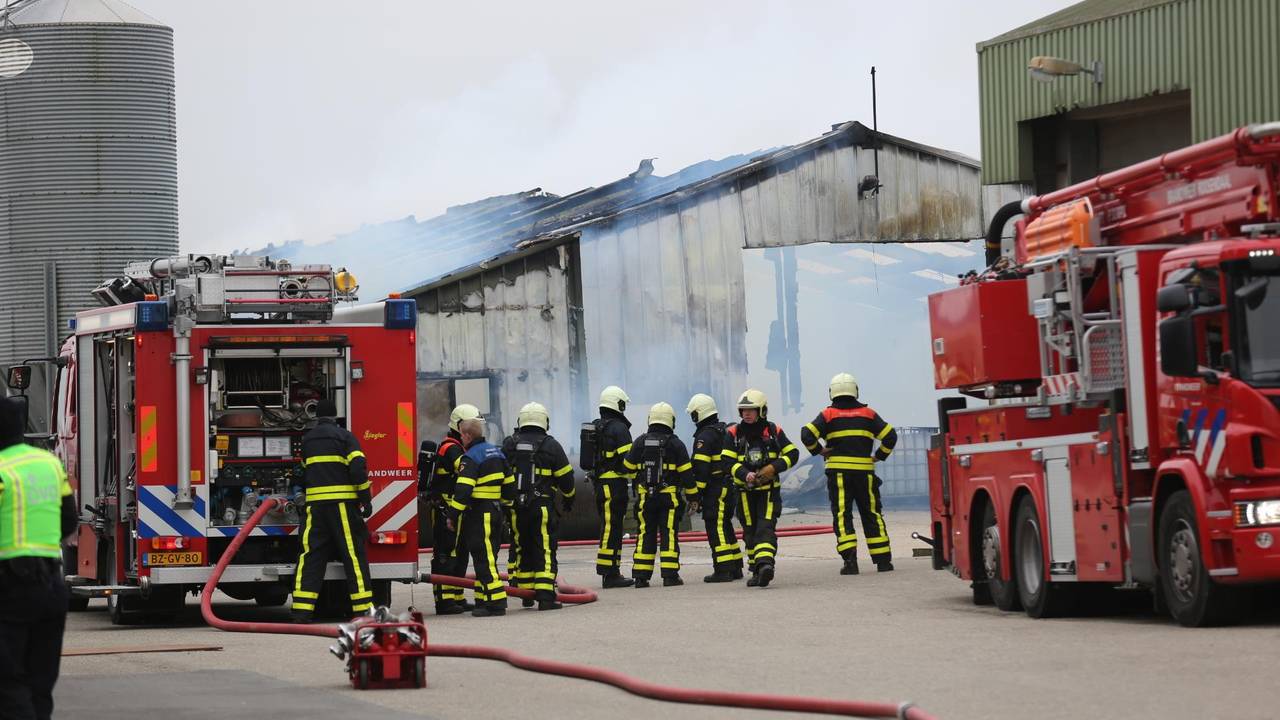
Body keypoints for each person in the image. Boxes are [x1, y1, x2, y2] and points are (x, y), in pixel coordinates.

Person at [0, 396, 76, 720]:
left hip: (10, 588)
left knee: (8, 681)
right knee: (40, 683)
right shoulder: (48, 463)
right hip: (52, 586)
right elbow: (69, 521)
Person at [801, 373, 898, 574]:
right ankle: (883, 561)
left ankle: (850, 562)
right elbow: (890, 436)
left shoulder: (827, 415)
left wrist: (819, 451)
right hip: (864, 474)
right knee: (871, 514)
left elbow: (806, 434)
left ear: (832, 393)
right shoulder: (869, 414)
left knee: (842, 515)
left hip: (839, 475)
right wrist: (878, 456)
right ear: (855, 391)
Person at [292, 399, 374, 622]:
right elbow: (358, 469)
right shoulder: (346, 437)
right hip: (343, 507)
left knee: (310, 555)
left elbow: (301, 474)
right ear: (336, 416)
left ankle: (301, 610)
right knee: (353, 555)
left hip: (315, 509)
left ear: (317, 416)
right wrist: (365, 499)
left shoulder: (307, 441)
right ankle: (362, 609)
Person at [502, 402, 576, 611]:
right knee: (543, 548)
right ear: (545, 422)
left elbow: (498, 471)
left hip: (515, 507)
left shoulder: (509, 444)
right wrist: (569, 498)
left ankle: (526, 593)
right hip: (542, 506)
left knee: (521, 545)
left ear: (521, 421)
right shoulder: (551, 445)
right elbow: (566, 478)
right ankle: (545, 596)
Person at [444, 416, 514, 617]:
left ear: (467, 435)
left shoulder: (471, 457)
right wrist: (506, 506)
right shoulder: (497, 452)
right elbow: (509, 485)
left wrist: (453, 515)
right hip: (496, 512)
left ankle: (496, 601)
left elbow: (463, 490)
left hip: (479, 513)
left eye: (462, 435)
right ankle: (482, 600)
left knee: (483, 559)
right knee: (489, 556)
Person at [728, 389, 798, 588]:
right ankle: (757, 570)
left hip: (768, 492)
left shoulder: (773, 431)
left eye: (751, 410)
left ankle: (766, 564)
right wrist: (744, 474)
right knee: (749, 531)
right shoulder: (733, 433)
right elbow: (726, 460)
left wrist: (773, 468)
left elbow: (792, 453)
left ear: (762, 411)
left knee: (764, 528)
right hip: (744, 493)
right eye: (743, 410)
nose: (747, 414)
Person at [623, 402, 695, 588]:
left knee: (645, 533)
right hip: (669, 498)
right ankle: (670, 576)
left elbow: (627, 469)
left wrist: (641, 477)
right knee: (668, 533)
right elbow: (687, 475)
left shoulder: (639, 442)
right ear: (671, 421)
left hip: (646, 498)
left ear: (650, 420)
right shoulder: (676, 444)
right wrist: (694, 497)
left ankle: (641, 576)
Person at [421, 403, 480, 615]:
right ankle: (444, 601)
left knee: (461, 553)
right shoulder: (450, 448)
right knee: (446, 553)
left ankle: (456, 596)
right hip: (446, 509)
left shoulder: (460, 446)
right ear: (459, 426)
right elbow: (465, 467)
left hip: (456, 508)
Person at [686, 393, 744, 583]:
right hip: (728, 486)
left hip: (715, 490)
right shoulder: (724, 431)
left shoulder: (704, 436)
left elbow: (701, 470)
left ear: (698, 414)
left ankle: (723, 569)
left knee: (715, 526)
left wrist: (696, 494)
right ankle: (735, 566)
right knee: (726, 525)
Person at [585, 386, 636, 588]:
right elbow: (628, 462)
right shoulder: (619, 429)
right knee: (611, 528)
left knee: (611, 527)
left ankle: (611, 570)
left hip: (601, 484)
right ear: (619, 404)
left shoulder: (597, 426)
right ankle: (609, 573)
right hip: (613, 485)